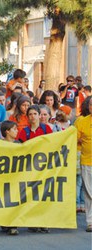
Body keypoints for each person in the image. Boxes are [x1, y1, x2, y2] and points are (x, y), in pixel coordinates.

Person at [74, 96, 92, 232]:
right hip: (87, 161)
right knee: (88, 192)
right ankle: (90, 222)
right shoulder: (81, 121)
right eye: (91, 105)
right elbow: (73, 138)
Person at [0, 120, 20, 235]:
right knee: (4, 200)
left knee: (14, 200)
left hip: (16, 177)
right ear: (7, 131)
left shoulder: (19, 145)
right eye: (14, 129)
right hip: (3, 177)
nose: (17, 131)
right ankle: (5, 223)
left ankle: (13, 225)